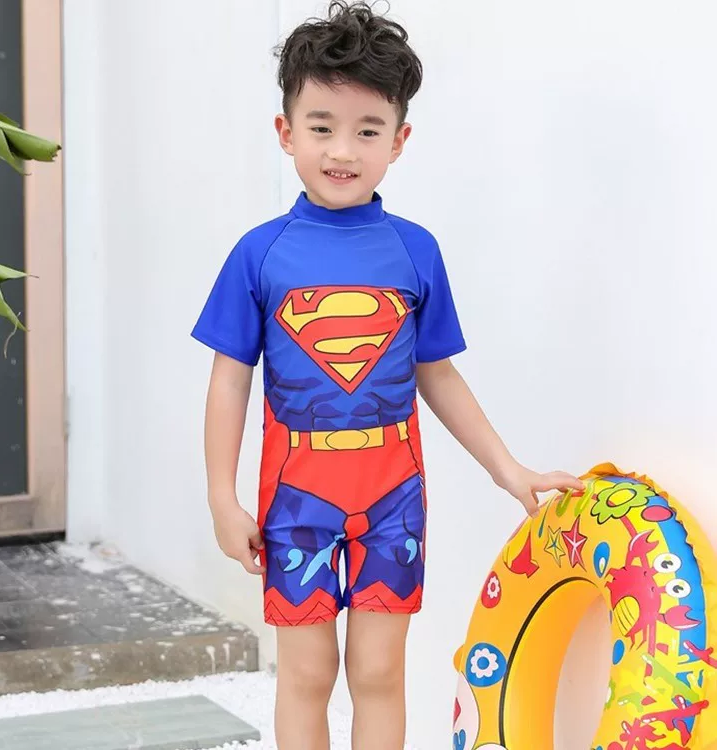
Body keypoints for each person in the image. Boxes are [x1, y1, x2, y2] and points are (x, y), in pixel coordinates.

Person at [192, 2, 584, 748]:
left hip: (393, 495)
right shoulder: (259, 254)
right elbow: (229, 380)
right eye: (321, 127)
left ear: (399, 140)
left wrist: (508, 470)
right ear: (285, 132)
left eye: (368, 130)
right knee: (306, 673)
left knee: (378, 672)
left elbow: (438, 374)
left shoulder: (415, 251)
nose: (343, 150)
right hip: (295, 495)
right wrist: (221, 497)